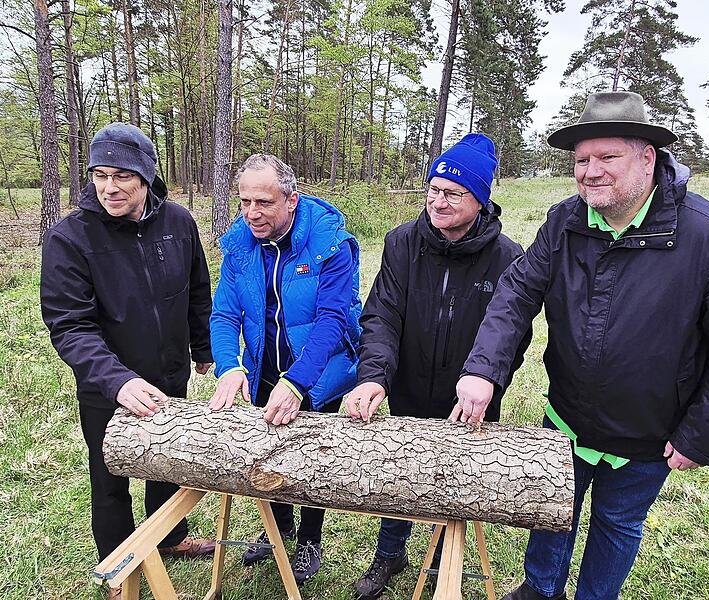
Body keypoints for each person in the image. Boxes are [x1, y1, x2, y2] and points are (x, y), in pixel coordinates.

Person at [453, 92, 709, 600]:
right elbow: (517, 291)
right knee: (551, 510)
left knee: (618, 523)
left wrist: (700, 434)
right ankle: (540, 589)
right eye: (582, 160)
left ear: (647, 157)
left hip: (649, 432)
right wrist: (482, 370)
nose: (590, 171)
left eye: (608, 157)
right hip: (567, 417)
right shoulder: (566, 221)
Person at [345, 133, 531, 600]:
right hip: (407, 385)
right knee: (400, 474)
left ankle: (441, 562)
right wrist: (374, 377)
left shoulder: (507, 257)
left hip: (467, 399)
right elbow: (383, 313)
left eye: (453, 193)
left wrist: (489, 380)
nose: (438, 201)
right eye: (433, 189)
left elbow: (513, 333)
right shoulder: (402, 243)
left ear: (480, 199)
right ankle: (390, 553)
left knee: (454, 480)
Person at [40, 123, 216, 599]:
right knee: (110, 477)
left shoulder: (179, 223)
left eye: (123, 175)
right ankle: (120, 568)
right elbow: (69, 324)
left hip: (168, 374)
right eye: (100, 173)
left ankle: (170, 537)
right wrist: (117, 380)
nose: (110, 186)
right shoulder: (70, 238)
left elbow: (197, 290)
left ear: (147, 176)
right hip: (107, 385)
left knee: (165, 464)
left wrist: (202, 349)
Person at [208, 153, 362, 585]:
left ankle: (310, 537)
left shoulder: (329, 243)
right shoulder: (239, 244)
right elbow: (224, 315)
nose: (252, 213)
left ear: (291, 200)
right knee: (270, 451)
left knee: (314, 462)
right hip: (264, 369)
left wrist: (297, 383)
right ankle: (278, 527)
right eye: (244, 202)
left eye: (264, 202)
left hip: (321, 373)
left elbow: (333, 319)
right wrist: (228, 367)